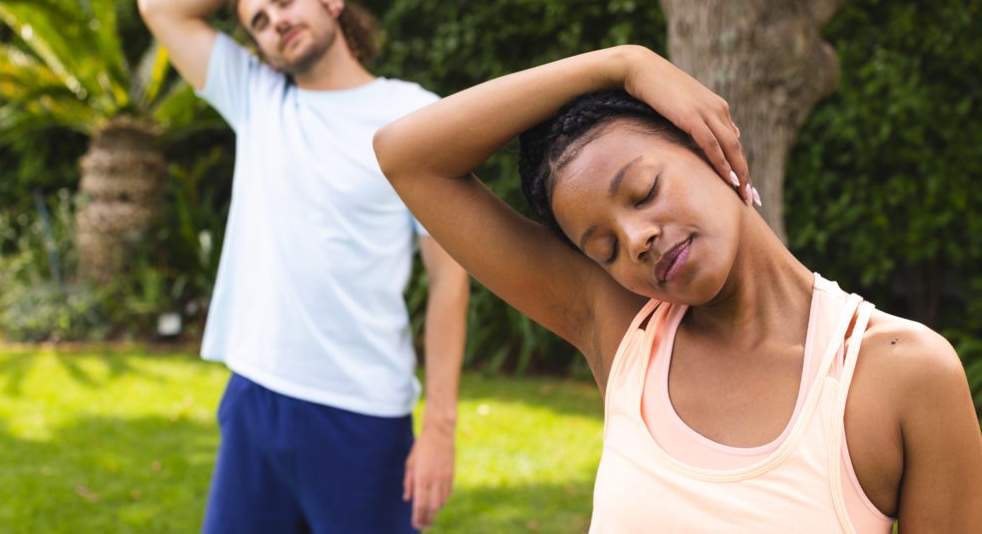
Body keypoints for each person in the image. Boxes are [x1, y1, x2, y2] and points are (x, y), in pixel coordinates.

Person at [373, 45, 982, 531]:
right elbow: (407, 156)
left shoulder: (899, 373)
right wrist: (621, 63)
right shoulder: (624, 333)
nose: (636, 239)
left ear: (710, 146)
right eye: (603, 248)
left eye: (644, 192)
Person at [137, 0, 469, 533]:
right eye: (258, 21)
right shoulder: (258, 98)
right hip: (254, 399)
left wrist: (440, 427)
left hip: (361, 414)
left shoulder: (413, 114)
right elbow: (158, 3)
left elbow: (450, 277)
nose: (276, 22)